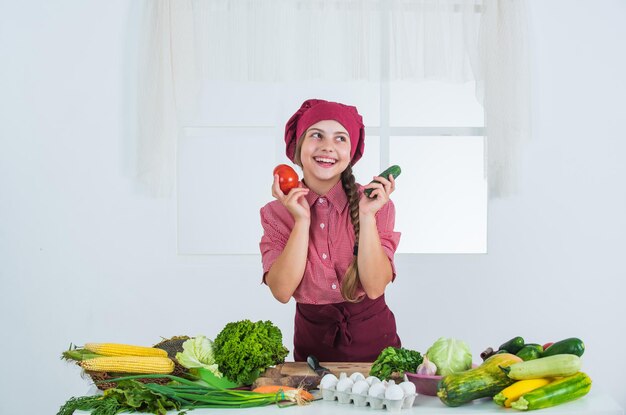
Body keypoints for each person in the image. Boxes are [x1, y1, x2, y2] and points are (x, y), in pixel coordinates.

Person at [259, 99, 401, 362]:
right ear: (298, 145)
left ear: (351, 151)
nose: (327, 147)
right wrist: (301, 221)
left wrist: (367, 217)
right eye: (316, 135)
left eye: (340, 138)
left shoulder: (376, 204)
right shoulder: (275, 213)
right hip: (312, 353)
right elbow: (281, 291)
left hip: (377, 352)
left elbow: (374, 287)